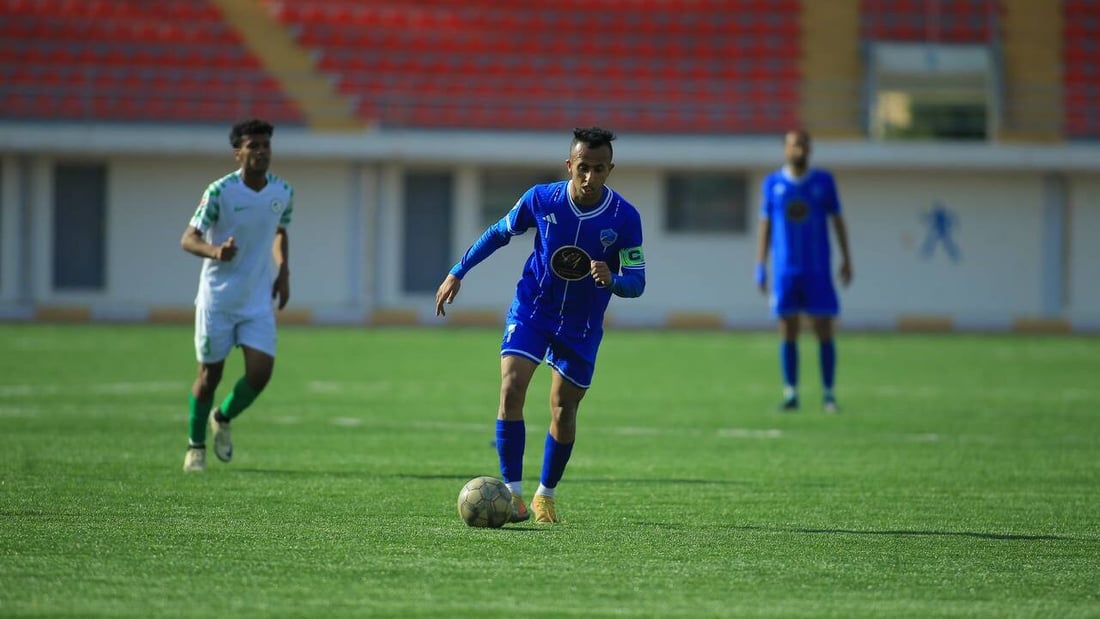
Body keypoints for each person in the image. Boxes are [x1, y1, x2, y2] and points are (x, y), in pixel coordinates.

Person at [435, 127, 646, 523]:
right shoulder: (542, 198)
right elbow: (499, 233)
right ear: (569, 165)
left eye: (599, 169)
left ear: (609, 169)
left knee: (564, 410)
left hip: (581, 324)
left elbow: (638, 281)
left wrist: (614, 280)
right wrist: (457, 271)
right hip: (534, 309)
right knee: (511, 387)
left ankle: (544, 495)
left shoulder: (624, 218)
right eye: (582, 168)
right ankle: (511, 497)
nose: (589, 178)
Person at [180, 118, 293, 472]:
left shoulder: (282, 192)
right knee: (209, 376)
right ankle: (195, 447)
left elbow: (279, 232)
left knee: (260, 374)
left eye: (266, 145)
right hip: (219, 299)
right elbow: (188, 237)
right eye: (253, 146)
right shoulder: (219, 192)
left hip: (257, 298)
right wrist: (215, 251)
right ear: (237, 153)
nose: (261, 151)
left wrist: (284, 271)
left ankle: (223, 416)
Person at [755, 129, 852, 413]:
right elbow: (765, 225)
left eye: (803, 145)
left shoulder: (824, 182)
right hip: (786, 271)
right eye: (793, 145)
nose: (798, 150)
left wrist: (846, 258)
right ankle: (791, 393)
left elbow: (837, 221)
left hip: (818, 268)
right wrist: (761, 265)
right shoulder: (773, 183)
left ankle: (829, 394)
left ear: (810, 149)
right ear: (785, 149)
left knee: (823, 328)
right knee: (787, 329)